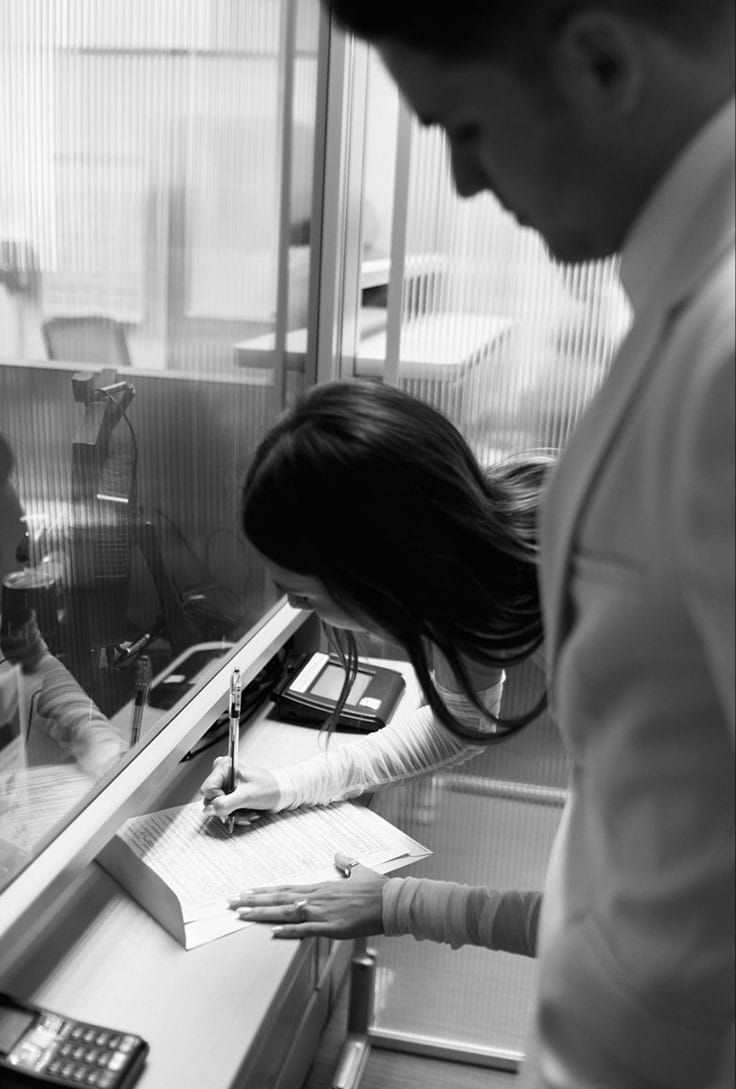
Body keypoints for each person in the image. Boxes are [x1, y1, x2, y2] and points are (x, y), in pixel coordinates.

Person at [316, 3, 734, 1087]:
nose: (460, 185)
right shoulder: (679, 312)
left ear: (597, 61)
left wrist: (410, 902)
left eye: (464, 129)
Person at [201, 378, 549, 956]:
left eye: (305, 595)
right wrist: (288, 785)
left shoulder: (611, 628)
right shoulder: (482, 556)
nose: (294, 609)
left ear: (379, 570)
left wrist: (399, 904)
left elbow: (637, 934)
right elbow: (458, 719)